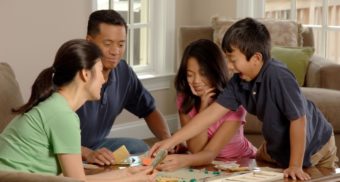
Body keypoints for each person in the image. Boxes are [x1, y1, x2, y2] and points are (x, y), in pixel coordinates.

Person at [149, 18, 338, 181]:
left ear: (256, 58)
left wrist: (295, 164)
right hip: (278, 146)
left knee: (302, 176)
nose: (229, 67)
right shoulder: (238, 82)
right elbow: (209, 116)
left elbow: (298, 120)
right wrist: (170, 141)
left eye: (233, 60)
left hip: (314, 145)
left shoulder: (279, 76)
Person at [0, 39, 156, 182]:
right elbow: (78, 181)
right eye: (100, 71)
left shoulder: (56, 105)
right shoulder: (62, 115)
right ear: (85, 74)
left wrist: (128, 173)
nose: (103, 79)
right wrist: (135, 179)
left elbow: (75, 176)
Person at [77, 9, 172, 166]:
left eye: (121, 44)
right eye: (107, 44)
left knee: (140, 148)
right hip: (67, 149)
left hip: (97, 144)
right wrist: (87, 154)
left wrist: (168, 141)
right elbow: (50, 136)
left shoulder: (123, 72)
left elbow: (149, 110)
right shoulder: (72, 75)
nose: (115, 51)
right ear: (89, 41)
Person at [157, 39, 256, 171]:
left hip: (242, 162)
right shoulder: (185, 100)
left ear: (215, 71)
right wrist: (203, 106)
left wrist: (183, 160)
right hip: (209, 165)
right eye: (190, 75)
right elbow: (196, 149)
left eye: (203, 74)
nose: (196, 81)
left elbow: (209, 154)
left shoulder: (234, 104)